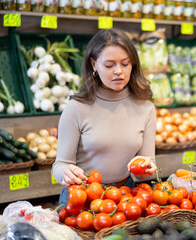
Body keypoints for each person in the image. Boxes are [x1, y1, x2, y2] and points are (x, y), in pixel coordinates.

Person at [52, 29, 157, 206]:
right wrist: (65, 173)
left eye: (125, 64)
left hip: (125, 196)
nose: (118, 71)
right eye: (109, 65)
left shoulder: (145, 107)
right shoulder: (76, 107)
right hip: (83, 196)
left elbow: (146, 168)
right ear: (93, 64)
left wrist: (147, 166)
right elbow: (59, 165)